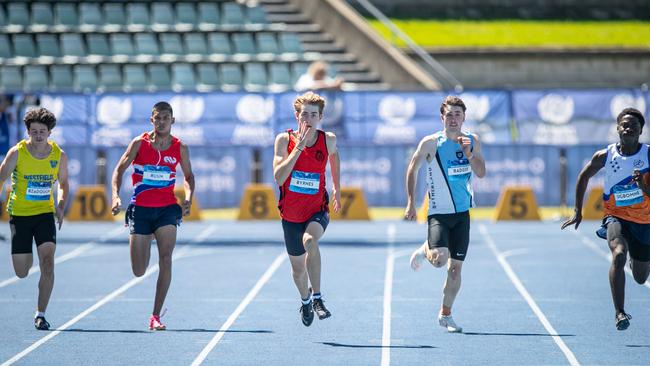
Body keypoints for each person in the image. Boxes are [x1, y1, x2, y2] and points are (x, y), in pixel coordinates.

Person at [562, 107, 650, 331]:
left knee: (640, 277)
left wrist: (642, 186)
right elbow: (583, 177)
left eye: (634, 125)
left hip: (644, 222)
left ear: (641, 131)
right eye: (624, 124)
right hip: (615, 216)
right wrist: (577, 211)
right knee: (618, 255)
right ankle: (620, 313)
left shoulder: (648, 155)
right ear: (618, 128)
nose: (628, 128)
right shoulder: (605, 155)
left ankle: (636, 258)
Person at [404, 95, 486, 333]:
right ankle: (425, 249)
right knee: (440, 260)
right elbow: (413, 168)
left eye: (457, 114)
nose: (453, 119)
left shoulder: (472, 140)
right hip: (439, 213)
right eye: (449, 114)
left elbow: (481, 172)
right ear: (442, 117)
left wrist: (469, 153)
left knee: (455, 269)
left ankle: (445, 314)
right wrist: (410, 202)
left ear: (464, 117)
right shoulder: (431, 143)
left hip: (462, 215)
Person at [111, 101, 194, 331]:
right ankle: (146, 238)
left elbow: (188, 176)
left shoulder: (180, 147)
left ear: (172, 121)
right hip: (141, 210)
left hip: (167, 209)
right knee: (139, 270)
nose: (161, 122)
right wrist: (115, 196)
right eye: (157, 118)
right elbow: (118, 170)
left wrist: (188, 198)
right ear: (152, 120)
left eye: (165, 117)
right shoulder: (139, 144)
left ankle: (155, 315)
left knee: (166, 258)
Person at [273, 91, 341, 326]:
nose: (308, 120)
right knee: (298, 270)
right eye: (304, 115)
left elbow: (334, 157)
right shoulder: (284, 140)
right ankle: (305, 300)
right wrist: (298, 148)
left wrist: (336, 188)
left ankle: (318, 298)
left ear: (320, 117)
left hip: (316, 210)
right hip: (291, 214)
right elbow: (279, 177)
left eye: (313, 115)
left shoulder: (327, 139)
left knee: (310, 241)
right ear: (296, 116)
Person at [0, 107, 69, 330]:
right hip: (20, 215)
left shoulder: (58, 155)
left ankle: (41, 314)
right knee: (22, 271)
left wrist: (60, 205)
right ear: (28, 132)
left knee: (48, 262)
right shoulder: (17, 153)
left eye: (42, 131)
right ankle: (26, 255)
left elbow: (64, 184)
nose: (38, 135)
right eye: (33, 131)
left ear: (49, 132)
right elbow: (1, 178)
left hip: (44, 214)